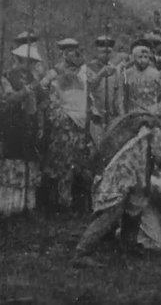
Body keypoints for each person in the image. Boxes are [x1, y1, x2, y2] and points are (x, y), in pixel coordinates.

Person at [72, 105, 161, 267]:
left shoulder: (140, 124)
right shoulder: (157, 129)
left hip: (129, 173)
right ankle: (82, 251)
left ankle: (128, 247)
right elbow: (159, 155)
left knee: (133, 211)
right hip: (124, 174)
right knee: (112, 213)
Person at [40, 38, 92, 212]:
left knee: (78, 164)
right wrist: (60, 118)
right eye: (67, 51)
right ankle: (59, 203)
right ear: (62, 53)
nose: (71, 54)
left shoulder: (83, 72)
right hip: (63, 124)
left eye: (74, 50)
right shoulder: (55, 72)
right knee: (60, 163)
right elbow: (45, 90)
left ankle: (75, 202)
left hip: (80, 125)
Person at [0, 44, 47, 213]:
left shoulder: (33, 79)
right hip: (11, 124)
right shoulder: (6, 77)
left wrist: (40, 123)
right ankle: (10, 206)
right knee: (13, 160)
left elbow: (42, 102)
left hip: (30, 125)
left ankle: (27, 205)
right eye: (28, 62)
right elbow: (9, 98)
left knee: (30, 159)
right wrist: (26, 91)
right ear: (19, 60)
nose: (31, 66)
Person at [87, 35, 120, 149]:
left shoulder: (114, 70)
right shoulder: (89, 67)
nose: (106, 55)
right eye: (103, 52)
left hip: (110, 115)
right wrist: (100, 74)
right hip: (95, 116)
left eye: (108, 52)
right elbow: (88, 88)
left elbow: (117, 92)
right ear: (97, 51)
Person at [118, 39, 161, 114]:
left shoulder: (156, 74)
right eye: (140, 57)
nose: (143, 60)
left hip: (152, 112)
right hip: (133, 112)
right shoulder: (127, 74)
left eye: (146, 57)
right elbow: (122, 97)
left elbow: (160, 94)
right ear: (134, 58)